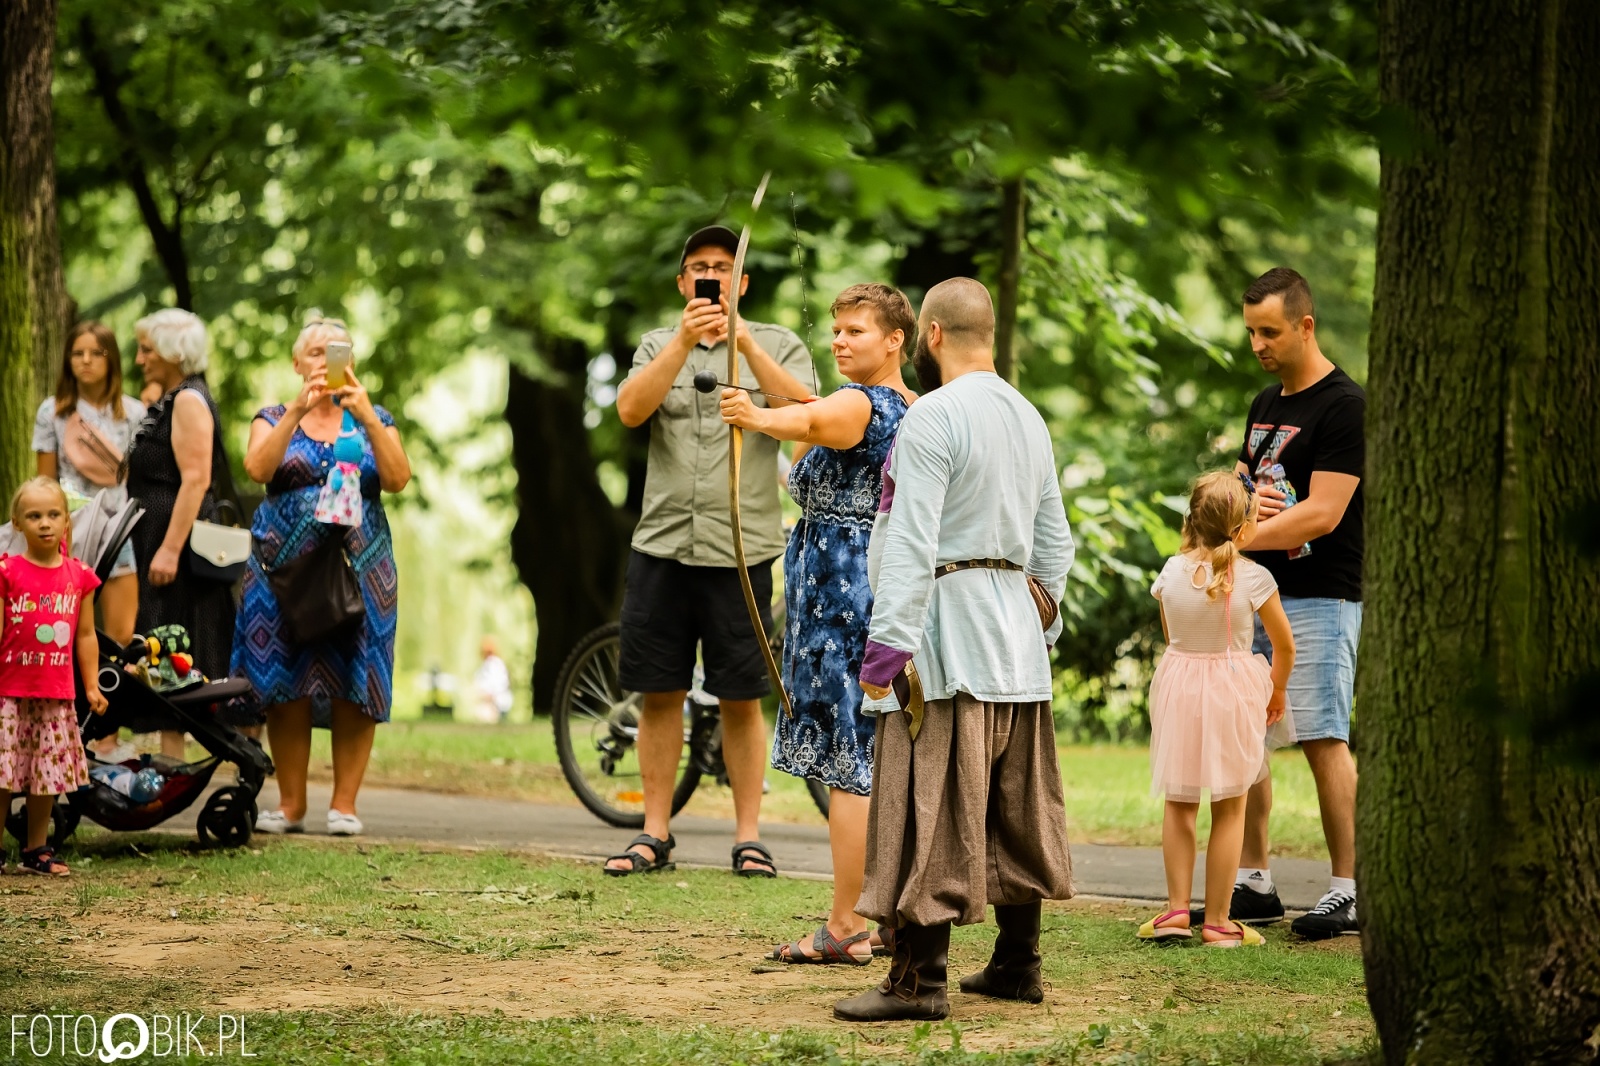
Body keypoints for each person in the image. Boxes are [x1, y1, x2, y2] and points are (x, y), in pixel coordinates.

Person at [835, 277, 1075, 1022]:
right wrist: (1037, 618)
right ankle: (1016, 964)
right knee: (1012, 808)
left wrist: (886, 651)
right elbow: (1054, 545)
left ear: (930, 334)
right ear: (989, 333)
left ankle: (918, 982)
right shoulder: (1029, 418)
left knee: (925, 803)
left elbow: (909, 539)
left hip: (942, 642)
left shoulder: (932, 416)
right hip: (1014, 646)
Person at [605, 224, 814, 878]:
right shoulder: (655, 346)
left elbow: (807, 411)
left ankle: (748, 837)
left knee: (740, 697)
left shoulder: (778, 343)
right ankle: (654, 832)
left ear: (742, 281)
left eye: (724, 267)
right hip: (663, 544)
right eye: (699, 266)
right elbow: (631, 411)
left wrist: (744, 344)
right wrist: (684, 342)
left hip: (741, 548)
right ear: (681, 281)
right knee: (659, 691)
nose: (712, 276)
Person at [719, 283, 917, 963]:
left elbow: (801, 422)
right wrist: (746, 344)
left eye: (855, 330)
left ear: (895, 339)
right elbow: (804, 405)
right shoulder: (897, 404)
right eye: (836, 329)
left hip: (844, 602)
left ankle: (846, 924)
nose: (839, 340)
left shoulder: (865, 404)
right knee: (877, 760)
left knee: (849, 762)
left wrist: (749, 415)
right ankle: (889, 915)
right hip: (860, 594)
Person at [1189, 268, 1366, 940]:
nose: (1258, 344)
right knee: (1247, 737)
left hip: (1322, 596)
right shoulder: (1265, 402)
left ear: (1305, 325)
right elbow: (1238, 485)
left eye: (1270, 331)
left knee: (1323, 735)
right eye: (1251, 332)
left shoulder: (1344, 405)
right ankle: (1255, 880)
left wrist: (1241, 536)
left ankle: (1346, 889)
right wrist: (1231, 515)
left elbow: (1323, 513)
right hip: (1255, 594)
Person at [235, 318, 411, 837]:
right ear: (296, 363)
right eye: (313, 352)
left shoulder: (374, 416)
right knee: (285, 678)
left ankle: (345, 805)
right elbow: (258, 469)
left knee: (357, 675)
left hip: (360, 566)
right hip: (282, 570)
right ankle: (290, 806)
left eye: (334, 351)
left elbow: (398, 478)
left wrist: (366, 417)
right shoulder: (271, 416)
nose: (323, 360)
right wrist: (297, 409)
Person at [1136, 472, 1295, 948]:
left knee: (1180, 803)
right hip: (1233, 692)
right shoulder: (1254, 578)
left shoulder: (1170, 572)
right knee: (1230, 808)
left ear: (1192, 520)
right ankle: (1220, 922)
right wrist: (1277, 691)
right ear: (1245, 529)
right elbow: (1284, 647)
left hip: (1180, 687)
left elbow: (1172, 638)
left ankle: (1176, 912)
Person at [126, 308, 236, 761]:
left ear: (173, 352)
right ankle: (172, 760)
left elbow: (196, 479)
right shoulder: (173, 396)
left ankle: (183, 760)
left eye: (147, 349)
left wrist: (169, 550)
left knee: (178, 643)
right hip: (157, 535)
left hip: (175, 542)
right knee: (163, 644)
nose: (139, 359)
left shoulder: (189, 400)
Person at [0, 479, 108, 876]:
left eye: (52, 514)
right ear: (17, 523)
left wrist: (92, 684)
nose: (44, 523)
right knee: (3, 774)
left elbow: (85, 635)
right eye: (34, 515)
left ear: (66, 521)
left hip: (55, 693)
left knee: (44, 774)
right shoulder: (6, 572)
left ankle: (36, 849)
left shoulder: (79, 576)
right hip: (8, 692)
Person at [33, 322, 148, 644]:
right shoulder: (53, 412)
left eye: (95, 353)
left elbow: (140, 476)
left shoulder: (134, 413)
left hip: (117, 531)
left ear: (110, 359)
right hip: (67, 532)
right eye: (77, 353)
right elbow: (44, 485)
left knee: (121, 635)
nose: (85, 360)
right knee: (58, 631)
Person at [474, 638, 513, 724]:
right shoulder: (488, 664)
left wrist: (491, 696)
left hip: (496, 702)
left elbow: (499, 683)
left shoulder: (495, 664)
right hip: (490, 701)